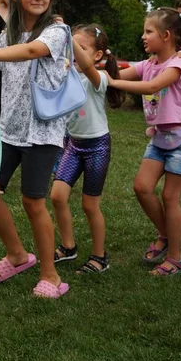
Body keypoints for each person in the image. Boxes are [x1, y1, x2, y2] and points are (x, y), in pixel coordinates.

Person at [0, 0, 71, 298]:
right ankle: (17, 254)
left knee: (33, 202)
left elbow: (30, 51)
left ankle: (51, 275)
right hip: (8, 130)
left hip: (42, 132)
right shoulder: (7, 34)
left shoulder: (57, 32)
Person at [113, 9, 181, 275]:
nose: (143, 36)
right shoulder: (148, 64)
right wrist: (91, 65)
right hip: (161, 135)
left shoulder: (178, 64)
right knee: (142, 187)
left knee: (170, 196)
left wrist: (110, 80)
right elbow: (119, 74)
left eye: (148, 31)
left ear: (165, 36)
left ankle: (176, 259)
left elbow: (152, 87)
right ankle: (165, 235)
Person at [49, 24, 125, 274]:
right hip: (74, 144)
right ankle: (69, 246)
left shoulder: (99, 78)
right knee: (57, 196)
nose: (73, 53)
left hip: (97, 147)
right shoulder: (67, 75)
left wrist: (69, 39)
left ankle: (99, 257)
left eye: (81, 49)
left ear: (97, 55)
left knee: (90, 205)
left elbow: (88, 68)